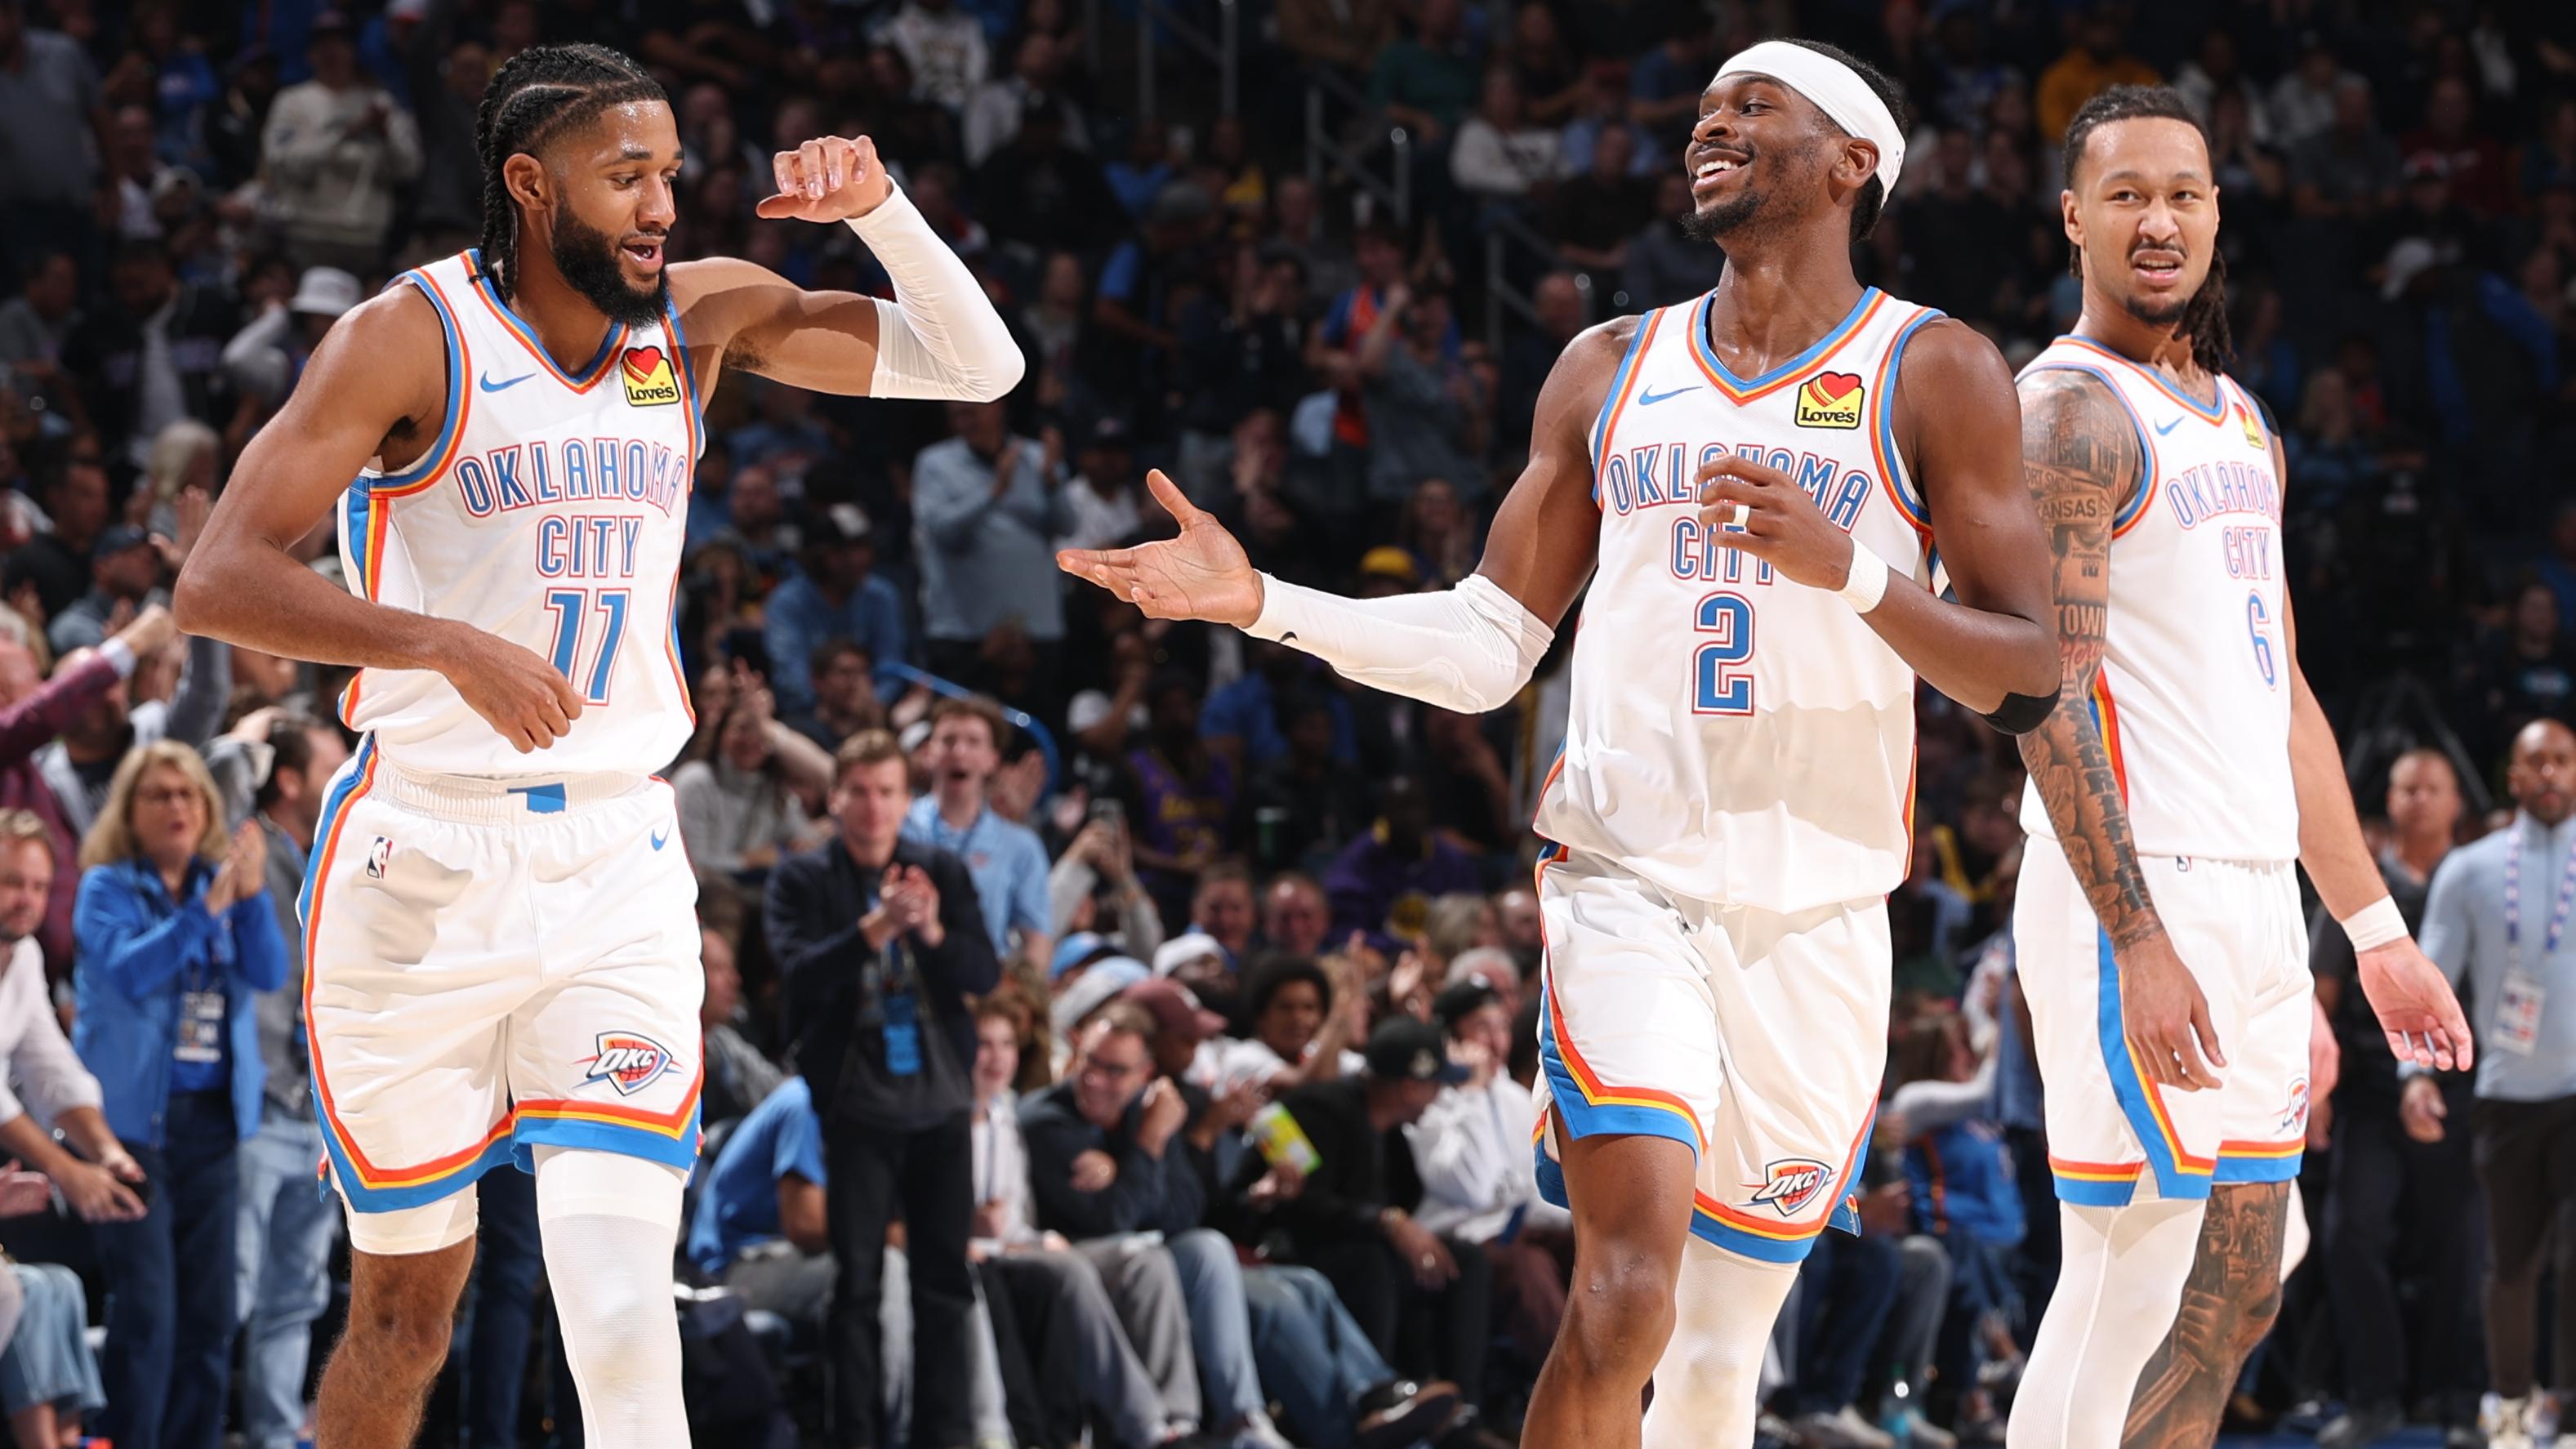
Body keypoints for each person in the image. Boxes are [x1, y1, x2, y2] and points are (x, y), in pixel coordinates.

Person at [1062, 38, 2061, 1447]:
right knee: (1622, 1297)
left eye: (1751, 106)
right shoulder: (1608, 365)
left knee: (1714, 1359)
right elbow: (1487, 645)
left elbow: (2025, 673)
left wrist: (1848, 571)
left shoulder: (1933, 366)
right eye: (1702, 109)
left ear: (1852, 161)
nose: (1708, 125)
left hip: (1819, 915)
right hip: (1625, 882)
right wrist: (1263, 601)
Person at [171, 39, 1021, 1449]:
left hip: (616, 853)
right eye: (627, 176)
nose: (661, 207)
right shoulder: (407, 336)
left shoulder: (694, 318)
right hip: (422, 858)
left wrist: (880, 210)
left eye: (671, 174)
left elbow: (980, 364)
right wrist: (439, 642)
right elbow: (216, 577)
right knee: (404, 1320)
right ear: (529, 182)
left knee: (624, 1310)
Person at [2002, 87, 2472, 1449]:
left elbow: (2285, 697)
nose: (2156, 220)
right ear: (2072, 217)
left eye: (2181, 194)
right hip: (2138, 889)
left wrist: (2370, 933)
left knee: (2240, 1285)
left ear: (2215, 213)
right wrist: (2135, 936)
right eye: (2125, 194)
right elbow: (2045, 695)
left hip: (2256, 892)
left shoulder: (2239, 422)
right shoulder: (2067, 414)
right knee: (2126, 1275)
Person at [767, 729, 1001, 1448]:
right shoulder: (803, 878)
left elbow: (984, 974)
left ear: (907, 800)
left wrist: (930, 930)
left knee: (944, 1280)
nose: (874, 807)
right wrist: (875, 928)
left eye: (888, 792)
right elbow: (798, 979)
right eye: (861, 792)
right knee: (859, 1286)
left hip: (940, 1104)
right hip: (858, 1108)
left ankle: (946, 1436)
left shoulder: (941, 870)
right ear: (835, 798)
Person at [71, 742, 288, 1449]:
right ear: (130, 811)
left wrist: (250, 898)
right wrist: (207, 909)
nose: (177, 807)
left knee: (210, 1314)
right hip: (131, 1129)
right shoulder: (106, 887)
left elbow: (269, 970)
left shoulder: (219, 882)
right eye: (159, 794)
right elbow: (132, 970)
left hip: (214, 1125)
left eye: (189, 794)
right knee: (148, 1312)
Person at [1020, 1006, 1288, 1448]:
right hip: (1070, 1258)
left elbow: (1185, 1210)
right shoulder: (1046, 1120)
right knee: (1145, 1258)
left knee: (1206, 1248)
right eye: (1090, 1061)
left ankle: (1242, 1419)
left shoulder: (1144, 1112)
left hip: (1137, 1255)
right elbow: (1111, 1220)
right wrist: (1148, 1147)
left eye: (1115, 1070)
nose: (1095, 1079)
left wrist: (1127, 1166)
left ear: (1144, 1073)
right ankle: (1174, 1427)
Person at [2414, 720, 2576, 1449]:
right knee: (2511, 1263)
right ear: (2513, 776)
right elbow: (2432, 976)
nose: (2550, 773)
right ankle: (2510, 1403)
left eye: (2562, 760)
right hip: (2506, 1096)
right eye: (2536, 762)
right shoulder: (2472, 868)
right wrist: (2415, 1072)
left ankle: (2568, 1410)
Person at [2311, 748, 2476, 1449]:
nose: (2419, 800)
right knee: (2350, 1234)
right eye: (2408, 789)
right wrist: (2317, 1084)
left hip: (2464, 1090)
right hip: (2371, 1092)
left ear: (2457, 802)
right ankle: (2373, 1396)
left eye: (2433, 789)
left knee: (2465, 1247)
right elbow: (2322, 990)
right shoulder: (2360, 882)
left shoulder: (2477, 878)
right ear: (2391, 799)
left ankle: (2456, 1401)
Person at [232, 713, 350, 1449]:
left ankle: (274, 1437)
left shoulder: (335, 858)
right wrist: (254, 732)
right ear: (288, 780)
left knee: (296, 1298)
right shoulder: (245, 839)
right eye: (330, 768)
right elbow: (212, 771)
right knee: (230, 1294)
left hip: (318, 1115)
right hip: (257, 1105)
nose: (345, 781)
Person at [904, 696, 1052, 989]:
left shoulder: (1021, 845)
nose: (959, 751)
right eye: (948, 740)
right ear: (929, 752)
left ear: (992, 760)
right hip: (906, 985)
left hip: (983, 990)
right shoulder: (897, 826)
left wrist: (1017, 1000)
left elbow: (1037, 938)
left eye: (973, 742)